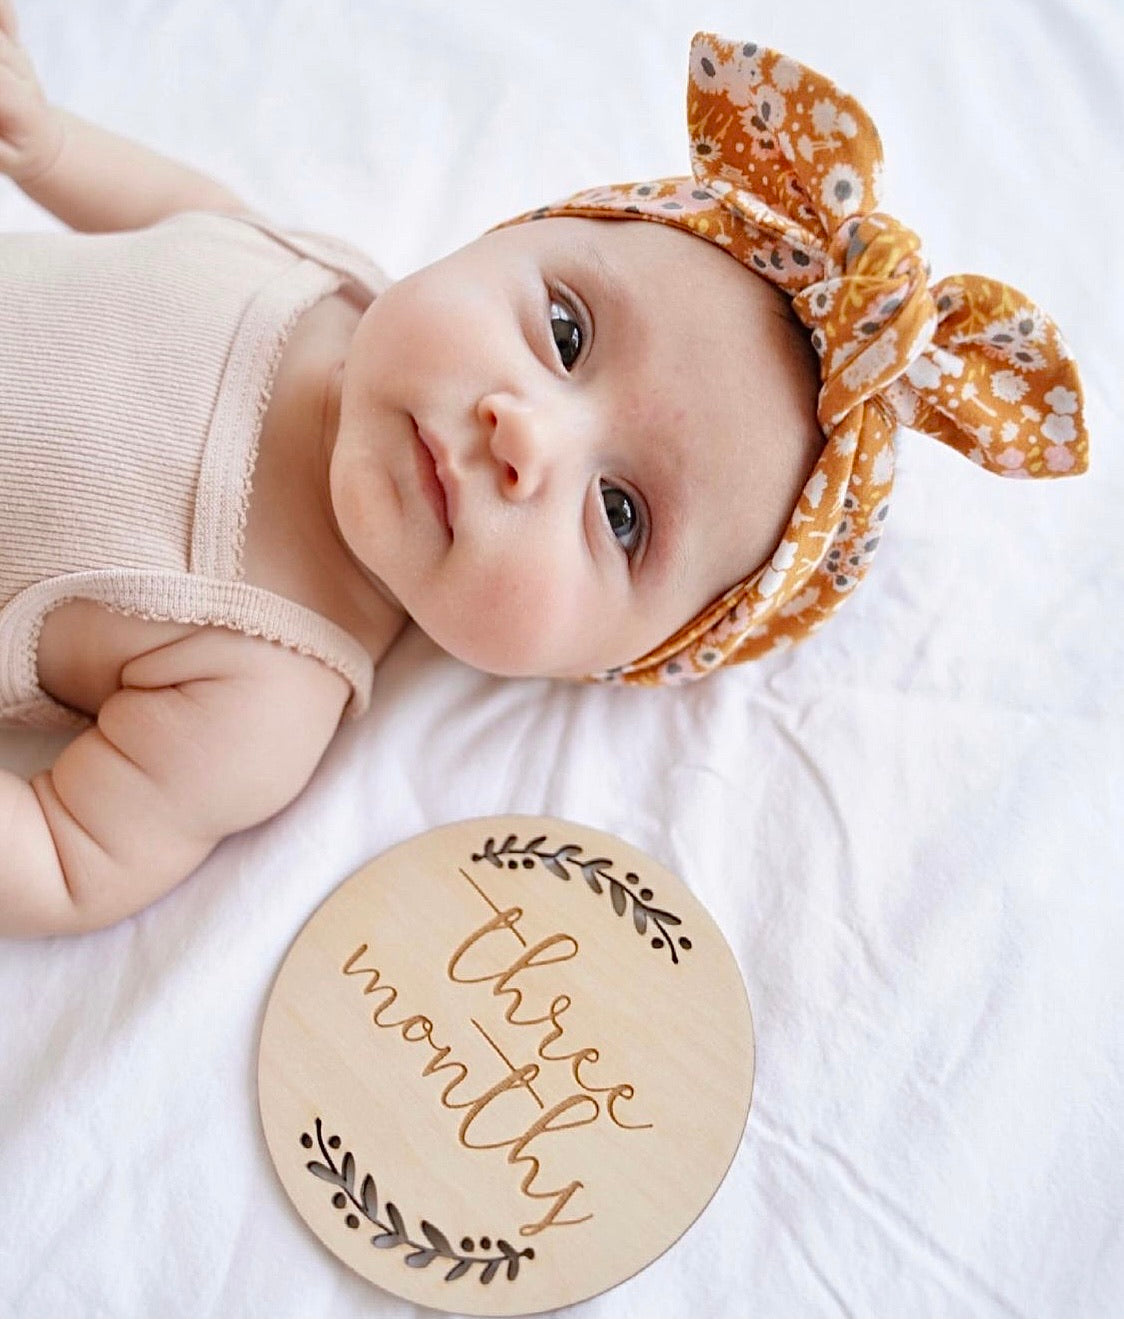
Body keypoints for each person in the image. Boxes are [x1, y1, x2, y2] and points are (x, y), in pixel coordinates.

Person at [0, 12, 1087, 937]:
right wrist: (46, 145)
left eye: (619, 515)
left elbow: (65, 856)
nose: (527, 437)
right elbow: (186, 211)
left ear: (602, 664)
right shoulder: (320, 281)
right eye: (564, 330)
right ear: (498, 239)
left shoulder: (261, 682)